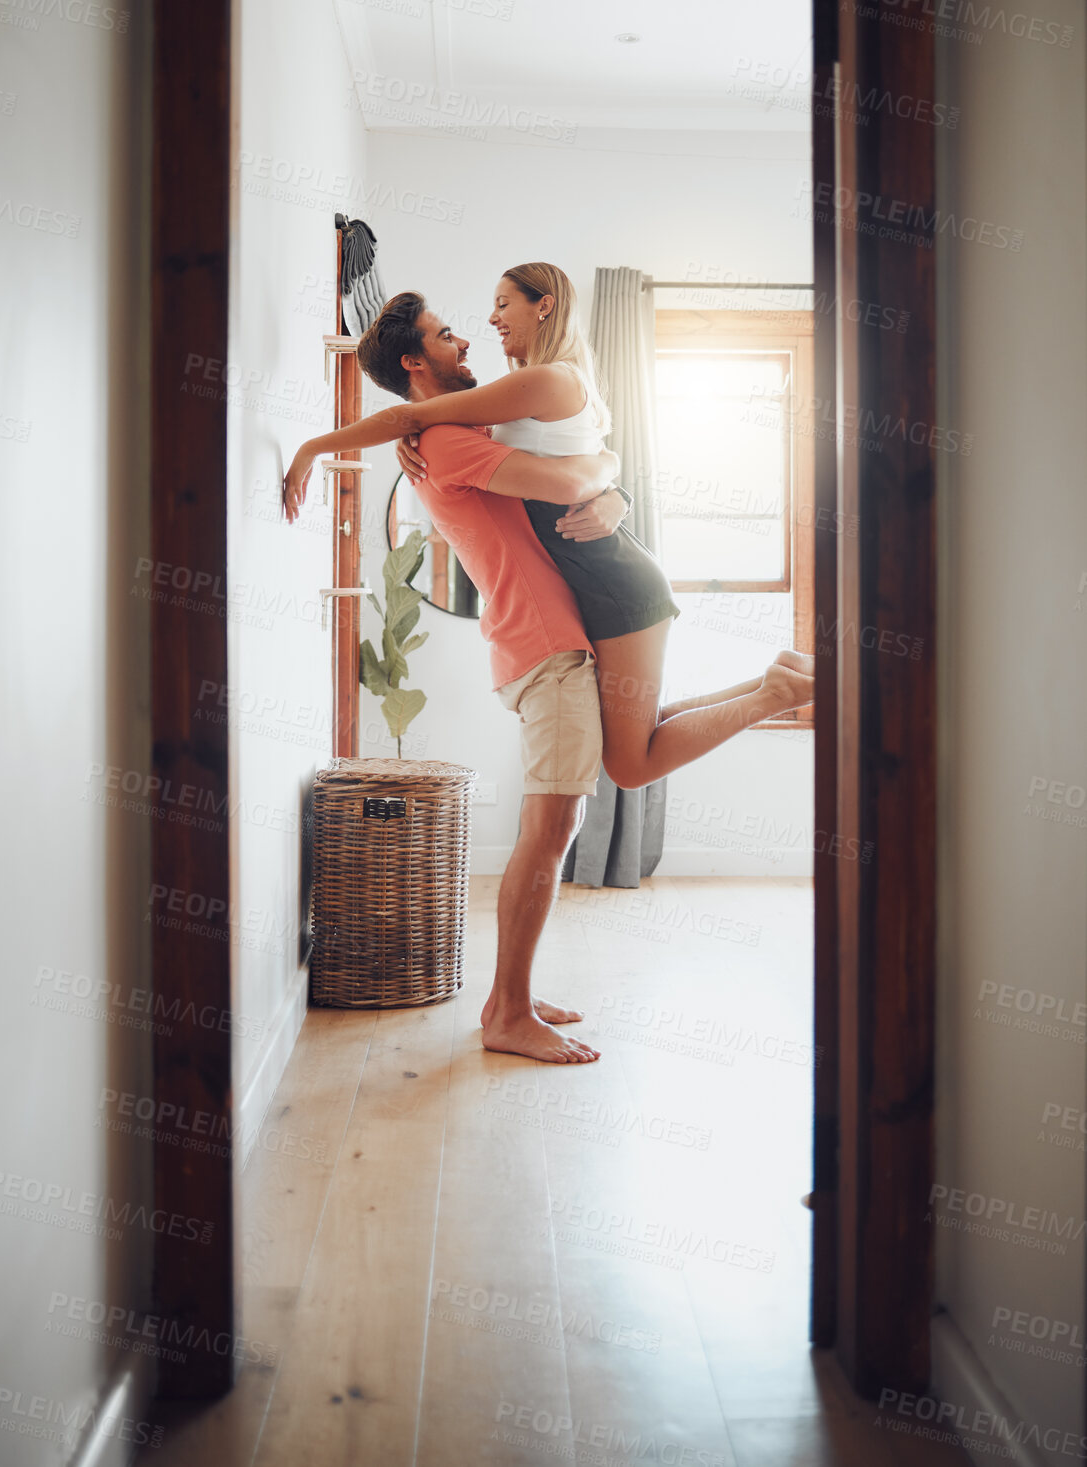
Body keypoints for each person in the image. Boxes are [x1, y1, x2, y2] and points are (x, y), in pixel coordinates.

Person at [284, 266, 814, 792]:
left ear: (544, 306)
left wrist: (321, 447)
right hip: (599, 578)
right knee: (636, 739)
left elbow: (587, 463)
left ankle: (775, 694)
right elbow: (589, 454)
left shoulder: (540, 380)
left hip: (615, 580)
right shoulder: (512, 397)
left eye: (503, 304)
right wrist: (416, 429)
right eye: (452, 331)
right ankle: (777, 683)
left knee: (631, 765)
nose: (487, 323)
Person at [287, 293, 619, 1064]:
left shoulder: (452, 431)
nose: (465, 336)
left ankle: (515, 992)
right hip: (545, 642)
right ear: (413, 361)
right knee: (548, 833)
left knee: (551, 830)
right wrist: (606, 467)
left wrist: (610, 477)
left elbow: (569, 472)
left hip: (537, 640)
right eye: (443, 333)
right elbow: (574, 483)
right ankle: (505, 1011)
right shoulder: (447, 438)